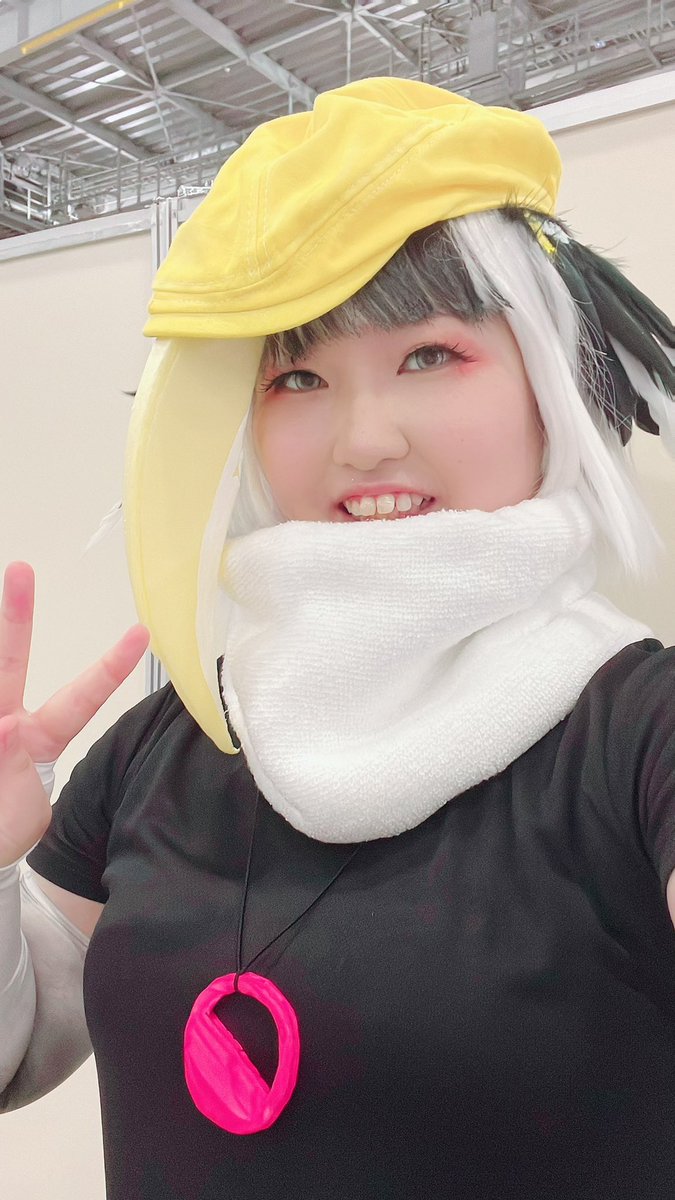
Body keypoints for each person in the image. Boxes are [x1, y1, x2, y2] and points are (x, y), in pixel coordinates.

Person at [1, 76, 674, 1200]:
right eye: (299, 376)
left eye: (430, 356)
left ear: (550, 379)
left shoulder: (638, 730)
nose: (364, 439)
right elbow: (21, 1051)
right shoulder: (172, 737)